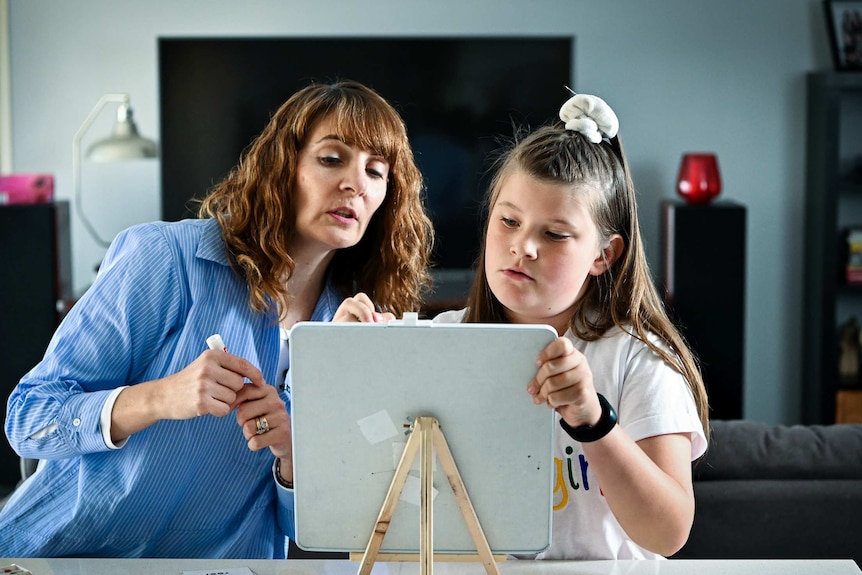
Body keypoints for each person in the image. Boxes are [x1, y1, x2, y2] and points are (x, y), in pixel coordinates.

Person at [0, 80, 433, 558]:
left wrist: (292, 452)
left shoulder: (354, 331)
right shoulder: (165, 259)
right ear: (284, 167)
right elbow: (28, 419)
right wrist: (162, 396)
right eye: (331, 159)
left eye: (375, 171)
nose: (355, 183)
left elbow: (311, 529)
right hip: (57, 561)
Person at [340, 92, 709, 560]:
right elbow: (369, 498)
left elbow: (668, 534)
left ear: (604, 254)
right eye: (509, 221)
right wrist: (351, 363)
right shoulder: (440, 342)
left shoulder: (639, 359)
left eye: (554, 234)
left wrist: (592, 420)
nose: (523, 247)